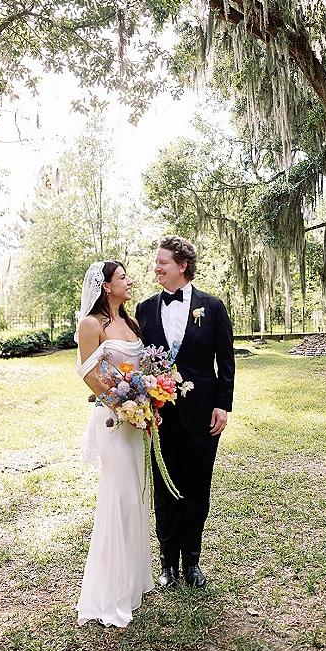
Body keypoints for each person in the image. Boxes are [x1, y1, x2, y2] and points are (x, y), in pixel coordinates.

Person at [135, 234, 235, 589]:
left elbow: (226, 361)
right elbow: (138, 362)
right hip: (159, 417)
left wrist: (223, 405)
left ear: (182, 266)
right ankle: (167, 565)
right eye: (156, 262)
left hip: (202, 416)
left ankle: (192, 562)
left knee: (197, 490)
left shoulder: (213, 307)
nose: (156, 268)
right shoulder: (145, 309)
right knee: (164, 491)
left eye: (163, 262)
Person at [76, 260, 154, 628]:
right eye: (123, 277)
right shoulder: (92, 325)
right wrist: (122, 403)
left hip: (137, 421)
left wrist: (149, 399)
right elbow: (89, 374)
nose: (130, 281)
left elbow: (144, 369)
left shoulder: (132, 322)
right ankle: (112, 592)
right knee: (118, 497)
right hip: (112, 420)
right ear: (106, 286)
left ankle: (133, 582)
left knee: (136, 498)